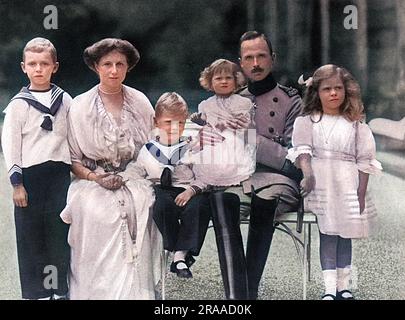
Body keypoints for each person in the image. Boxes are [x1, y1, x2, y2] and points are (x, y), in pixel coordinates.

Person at [59, 38, 162, 300]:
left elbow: (154, 147)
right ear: (96, 67)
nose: (114, 70)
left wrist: (131, 174)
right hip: (92, 179)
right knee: (94, 210)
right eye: (107, 64)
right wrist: (96, 177)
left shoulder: (139, 101)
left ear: (128, 67)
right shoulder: (80, 105)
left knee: (144, 202)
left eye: (120, 64)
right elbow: (73, 160)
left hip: (133, 175)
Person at [287, 64, 381, 300]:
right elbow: (303, 152)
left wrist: (360, 193)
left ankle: (344, 287)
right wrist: (308, 175)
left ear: (346, 91)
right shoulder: (309, 121)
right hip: (321, 182)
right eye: (327, 89)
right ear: (316, 92)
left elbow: (364, 160)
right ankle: (329, 289)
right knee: (328, 233)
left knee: (345, 234)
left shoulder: (355, 123)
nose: (333, 94)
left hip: (347, 182)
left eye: (338, 88)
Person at [1, 37, 72, 300]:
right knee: (31, 238)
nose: (38, 69)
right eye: (32, 64)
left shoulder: (65, 101)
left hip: (59, 178)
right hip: (30, 179)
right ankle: (38, 293)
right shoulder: (18, 105)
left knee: (59, 234)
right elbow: (11, 146)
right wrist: (17, 184)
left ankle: (59, 290)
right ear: (23, 67)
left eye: (44, 63)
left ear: (55, 66)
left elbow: (75, 136)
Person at [237, 31, 303, 299]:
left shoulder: (292, 101)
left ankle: (246, 293)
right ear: (241, 63)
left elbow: (294, 159)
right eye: (249, 57)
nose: (255, 63)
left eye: (261, 56)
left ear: (272, 59)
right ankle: (237, 288)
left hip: (279, 181)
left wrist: (250, 140)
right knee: (221, 205)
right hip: (240, 179)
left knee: (265, 202)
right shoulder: (233, 100)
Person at [190, 58, 256, 299]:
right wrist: (204, 124)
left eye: (229, 77)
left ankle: (235, 294)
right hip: (212, 152)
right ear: (210, 82)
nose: (224, 81)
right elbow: (204, 133)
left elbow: (243, 129)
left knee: (224, 206)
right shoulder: (206, 104)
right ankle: (185, 252)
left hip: (235, 148)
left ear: (237, 80)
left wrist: (216, 123)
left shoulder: (244, 103)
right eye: (218, 78)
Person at [135, 92, 211, 279]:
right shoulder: (148, 150)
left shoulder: (190, 147)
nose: (174, 128)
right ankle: (180, 253)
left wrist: (191, 191)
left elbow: (205, 174)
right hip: (161, 190)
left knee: (200, 207)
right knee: (160, 205)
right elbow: (137, 170)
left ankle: (179, 256)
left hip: (187, 189)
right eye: (168, 122)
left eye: (180, 123)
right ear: (156, 122)